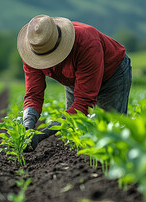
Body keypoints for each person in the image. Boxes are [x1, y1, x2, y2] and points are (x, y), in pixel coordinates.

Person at [17, 15, 132, 152]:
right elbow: (33, 94)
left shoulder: (86, 42)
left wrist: (43, 134)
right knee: (74, 132)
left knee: (110, 131)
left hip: (112, 75)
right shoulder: (34, 50)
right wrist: (28, 123)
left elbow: (84, 102)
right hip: (74, 77)